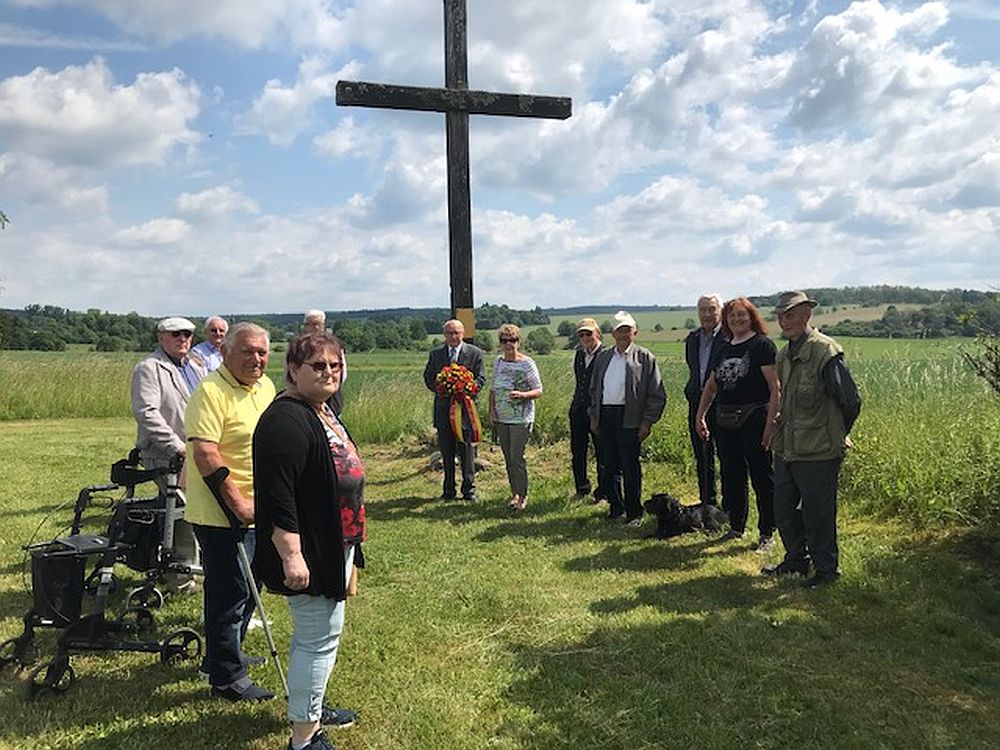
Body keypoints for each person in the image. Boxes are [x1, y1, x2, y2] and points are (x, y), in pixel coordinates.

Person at [254, 332, 364, 750]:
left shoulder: (322, 410)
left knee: (320, 635)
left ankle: (312, 707)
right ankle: (304, 736)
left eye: (335, 365)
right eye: (318, 366)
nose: (329, 372)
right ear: (293, 371)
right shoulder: (286, 419)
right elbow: (279, 496)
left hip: (335, 543)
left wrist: (352, 551)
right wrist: (292, 556)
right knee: (318, 636)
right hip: (310, 549)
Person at [184, 322, 276, 701]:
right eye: (247, 351)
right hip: (221, 513)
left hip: (260, 507)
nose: (256, 359)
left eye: (262, 352)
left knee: (252, 586)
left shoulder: (265, 387)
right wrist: (236, 503)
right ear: (224, 353)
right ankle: (226, 680)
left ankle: (226, 655)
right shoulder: (210, 392)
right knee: (229, 592)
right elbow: (206, 453)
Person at [764, 291, 861, 589]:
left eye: (790, 315)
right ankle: (796, 560)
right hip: (787, 447)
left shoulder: (825, 351)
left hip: (818, 450)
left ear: (807, 315)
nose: (784, 321)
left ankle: (826, 571)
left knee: (817, 513)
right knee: (782, 508)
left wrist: (837, 434)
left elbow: (850, 400)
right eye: (781, 316)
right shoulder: (784, 355)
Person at [695, 297, 780, 552]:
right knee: (732, 476)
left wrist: (770, 423)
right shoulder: (723, 348)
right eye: (732, 316)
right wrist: (700, 415)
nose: (736, 319)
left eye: (741, 315)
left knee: (762, 477)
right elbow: (711, 385)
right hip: (725, 419)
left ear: (751, 316)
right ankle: (736, 526)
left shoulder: (762, 345)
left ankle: (767, 533)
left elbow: (775, 388)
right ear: (726, 320)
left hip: (754, 418)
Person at [130, 316, 200, 581]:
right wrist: (177, 448)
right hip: (165, 454)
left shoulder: (194, 367)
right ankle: (181, 578)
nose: (183, 339)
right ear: (161, 337)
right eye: (175, 334)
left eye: (187, 334)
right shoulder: (149, 368)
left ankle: (191, 568)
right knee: (185, 513)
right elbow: (147, 414)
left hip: (196, 451)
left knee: (195, 511)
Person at [589, 311, 666, 527]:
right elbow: (594, 389)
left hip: (630, 418)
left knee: (630, 466)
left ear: (635, 332)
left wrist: (647, 421)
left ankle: (634, 512)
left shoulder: (645, 357)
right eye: (619, 330)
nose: (623, 334)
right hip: (606, 415)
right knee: (609, 465)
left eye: (627, 329)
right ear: (613, 333)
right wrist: (594, 416)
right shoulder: (603, 357)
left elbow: (656, 393)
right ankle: (616, 508)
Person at [423, 319, 486, 502]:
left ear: (463, 333)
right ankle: (448, 490)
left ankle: (469, 490)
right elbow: (428, 378)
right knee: (447, 452)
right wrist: (443, 388)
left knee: (467, 452)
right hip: (443, 410)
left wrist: (467, 389)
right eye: (450, 333)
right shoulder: (436, 355)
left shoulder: (475, 353)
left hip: (466, 412)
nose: (453, 336)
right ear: (444, 335)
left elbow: (481, 378)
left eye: (457, 332)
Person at [489, 324, 543, 510]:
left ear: (518, 342)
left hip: (521, 418)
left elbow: (538, 390)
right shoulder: (498, 362)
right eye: (505, 340)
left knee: (517, 457)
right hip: (502, 417)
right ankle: (514, 493)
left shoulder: (527, 363)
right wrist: (492, 412)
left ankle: (523, 495)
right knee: (507, 457)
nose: (509, 344)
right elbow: (493, 389)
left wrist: (523, 395)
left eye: (512, 340)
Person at [684, 295, 727, 505]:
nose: (707, 314)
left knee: (727, 457)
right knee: (702, 455)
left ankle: (729, 506)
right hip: (696, 404)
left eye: (712, 309)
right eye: (703, 310)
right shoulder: (692, 339)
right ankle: (707, 503)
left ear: (721, 311)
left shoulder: (729, 337)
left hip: (723, 405)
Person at [569, 318, 606, 500]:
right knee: (578, 451)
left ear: (597, 333)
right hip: (578, 409)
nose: (585, 337)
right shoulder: (579, 355)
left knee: (602, 452)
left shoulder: (606, 354)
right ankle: (582, 487)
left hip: (598, 411)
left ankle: (603, 491)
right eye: (581, 334)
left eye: (588, 333)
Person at [304, 310, 346, 415]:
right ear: (305, 326)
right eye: (313, 324)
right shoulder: (298, 348)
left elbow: (342, 374)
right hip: (306, 401)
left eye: (319, 324)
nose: (316, 328)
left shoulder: (334, 346)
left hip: (332, 401)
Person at [185, 316, 228, 384]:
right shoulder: (197, 353)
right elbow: (200, 379)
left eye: (221, 330)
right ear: (205, 332)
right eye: (213, 330)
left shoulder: (233, 350)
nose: (218, 333)